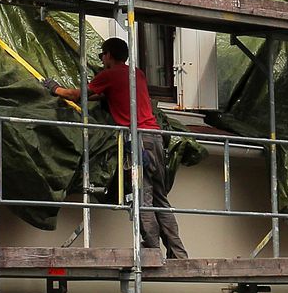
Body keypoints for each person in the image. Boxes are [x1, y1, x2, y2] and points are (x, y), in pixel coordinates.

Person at [46, 37, 189, 258]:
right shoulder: (137, 74)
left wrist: (56, 89)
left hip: (139, 142)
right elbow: (110, 95)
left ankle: (152, 251)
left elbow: (76, 94)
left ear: (109, 55)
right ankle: (178, 254)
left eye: (102, 55)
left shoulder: (109, 75)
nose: (101, 60)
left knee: (143, 199)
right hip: (155, 139)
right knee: (160, 199)